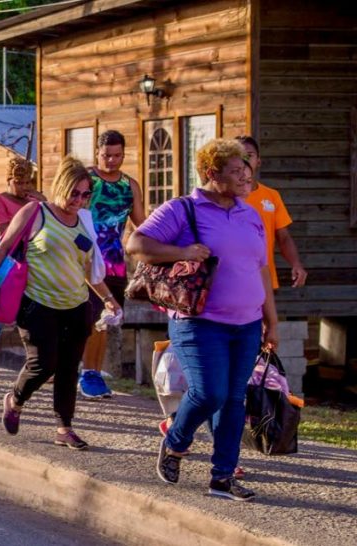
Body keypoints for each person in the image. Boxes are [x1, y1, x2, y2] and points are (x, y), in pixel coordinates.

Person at [128, 138, 278, 501]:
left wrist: (271, 320)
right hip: (199, 321)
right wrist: (182, 251)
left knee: (234, 399)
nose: (246, 176)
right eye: (237, 171)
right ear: (212, 173)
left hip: (245, 324)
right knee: (211, 392)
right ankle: (176, 440)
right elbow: (136, 244)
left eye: (248, 169)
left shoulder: (251, 214)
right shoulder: (183, 209)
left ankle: (222, 478)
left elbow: (260, 269)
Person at [0, 156, 121, 451]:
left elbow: (88, 269)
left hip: (77, 306)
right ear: (61, 186)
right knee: (43, 364)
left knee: (69, 368)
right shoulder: (36, 212)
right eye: (74, 193)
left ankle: (64, 428)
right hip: (37, 304)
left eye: (85, 195)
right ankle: (15, 400)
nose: (79, 200)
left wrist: (108, 298)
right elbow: (4, 246)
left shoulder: (84, 220)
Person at [80, 130, 146, 399]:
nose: (112, 160)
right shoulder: (86, 180)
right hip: (84, 259)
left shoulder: (129, 185)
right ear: (97, 153)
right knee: (88, 317)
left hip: (115, 261)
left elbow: (142, 222)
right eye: (107, 155)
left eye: (117, 155)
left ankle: (93, 371)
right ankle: (87, 372)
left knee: (107, 319)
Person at [0, 156, 42, 378]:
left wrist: (42, 201)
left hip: (31, 264)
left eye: (27, 182)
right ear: (9, 180)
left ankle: (36, 362)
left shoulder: (35, 202)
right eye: (19, 182)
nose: (24, 187)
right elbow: (2, 232)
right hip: (5, 264)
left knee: (32, 312)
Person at [237, 135, 307, 290]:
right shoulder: (225, 197)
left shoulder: (271, 196)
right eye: (238, 156)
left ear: (259, 161)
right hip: (234, 283)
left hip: (266, 282)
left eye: (249, 155)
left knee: (271, 315)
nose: (244, 160)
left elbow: (284, 237)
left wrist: (296, 264)